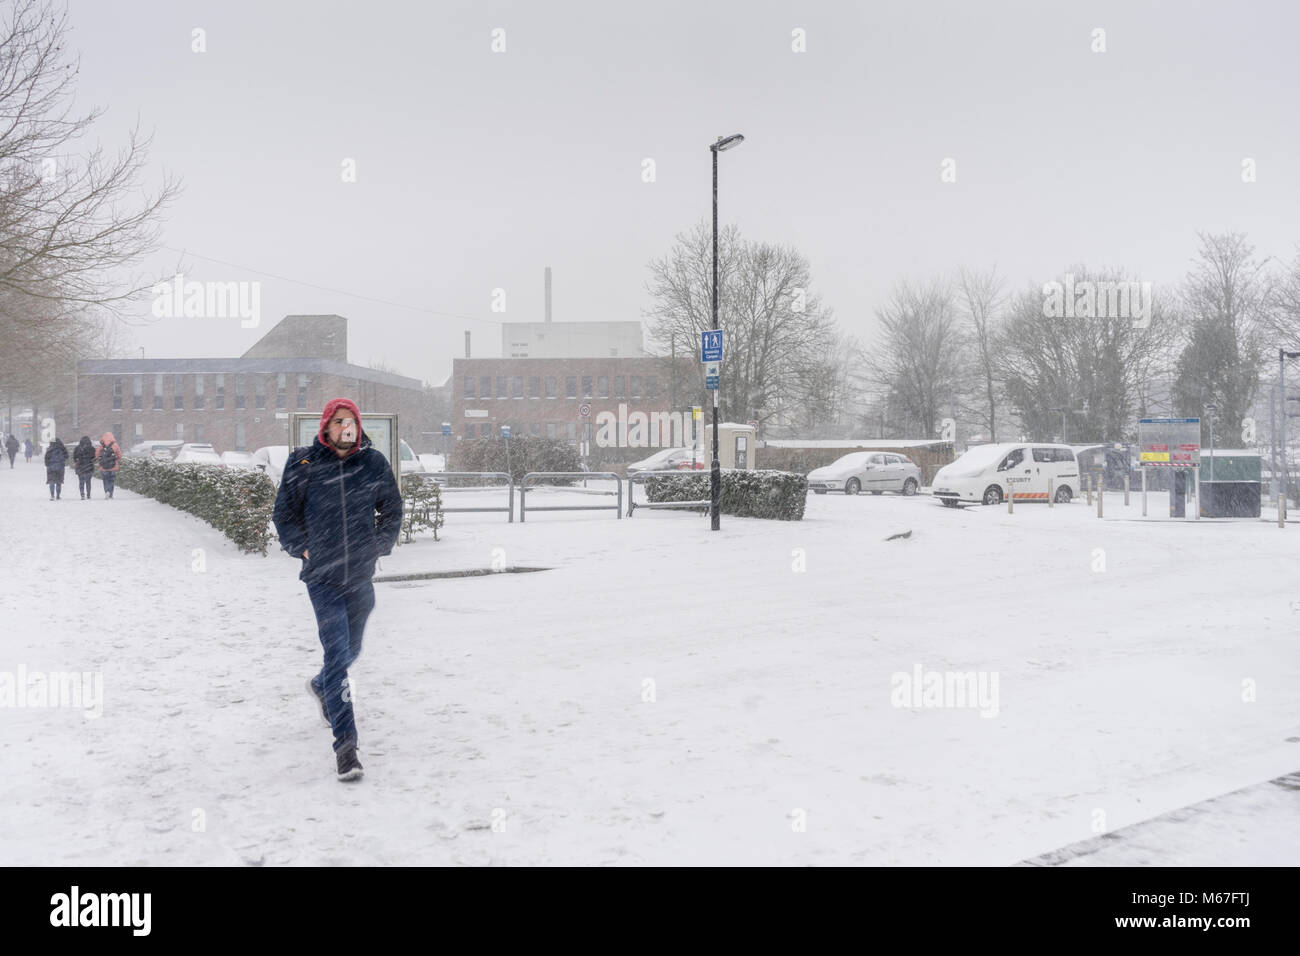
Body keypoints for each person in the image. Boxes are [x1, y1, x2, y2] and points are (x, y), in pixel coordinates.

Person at [272, 398, 402, 782]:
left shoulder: (372, 463)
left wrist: (379, 544)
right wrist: (303, 547)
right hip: (322, 578)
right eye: (339, 422)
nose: (346, 429)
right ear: (326, 426)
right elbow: (284, 515)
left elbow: (392, 508)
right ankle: (346, 746)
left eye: (352, 423)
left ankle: (320, 685)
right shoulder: (304, 463)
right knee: (336, 655)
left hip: (360, 576)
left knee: (350, 651)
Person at [96, 432, 122, 499]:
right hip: (113, 466)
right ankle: (111, 493)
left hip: (103, 466)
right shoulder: (115, 445)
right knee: (111, 481)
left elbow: (97, 455)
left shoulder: (101, 445)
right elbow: (120, 455)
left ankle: (107, 491)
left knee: (105, 480)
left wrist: (101, 459)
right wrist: (115, 459)